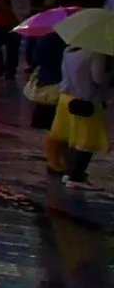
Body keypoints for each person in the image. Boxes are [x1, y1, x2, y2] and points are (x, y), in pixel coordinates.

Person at [48, 45, 112, 188]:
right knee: (87, 140)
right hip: (86, 100)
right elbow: (98, 79)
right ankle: (76, 177)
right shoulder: (96, 54)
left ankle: (69, 172)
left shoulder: (69, 50)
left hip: (66, 98)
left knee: (73, 137)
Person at [28, 30, 69, 168]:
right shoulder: (74, 43)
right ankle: (59, 161)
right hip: (63, 87)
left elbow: (35, 58)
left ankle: (55, 161)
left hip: (48, 84)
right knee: (59, 126)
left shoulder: (49, 38)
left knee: (53, 126)